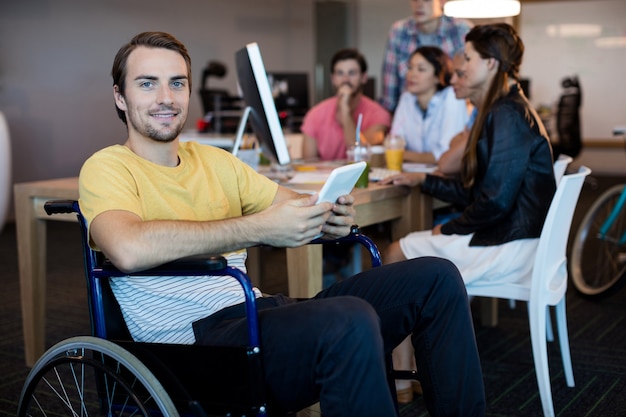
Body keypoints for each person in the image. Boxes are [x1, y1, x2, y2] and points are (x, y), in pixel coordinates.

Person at [78, 31, 485, 417]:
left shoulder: (214, 161)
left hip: (256, 312)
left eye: (177, 83)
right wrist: (257, 228)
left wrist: (331, 216)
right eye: (147, 84)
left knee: (437, 276)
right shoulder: (108, 167)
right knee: (349, 319)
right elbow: (126, 248)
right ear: (120, 95)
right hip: (197, 347)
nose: (166, 98)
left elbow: (294, 207)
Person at [381, 23, 556, 406]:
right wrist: (423, 182)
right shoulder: (506, 108)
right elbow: (483, 193)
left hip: (512, 246)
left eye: (468, 61)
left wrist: (450, 229)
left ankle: (401, 380)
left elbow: (493, 202)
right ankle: (413, 373)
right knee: (413, 252)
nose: (459, 68)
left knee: (395, 255)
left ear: (490, 63)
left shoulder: (506, 114)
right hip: (517, 236)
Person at [381, 0, 472, 113]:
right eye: (415, 0)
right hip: (410, 113)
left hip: (452, 112)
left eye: (426, 0)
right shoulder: (399, 31)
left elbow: (472, 79)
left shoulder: (461, 30)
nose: (419, 5)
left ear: (442, 2)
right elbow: (389, 91)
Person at [301, 48, 391, 161]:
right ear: (333, 79)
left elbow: (359, 155)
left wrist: (345, 111)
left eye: (352, 73)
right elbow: (308, 164)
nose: (345, 79)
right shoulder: (315, 114)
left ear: (363, 78)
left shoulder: (379, 114)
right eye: (340, 73)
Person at [389, 46, 469, 165]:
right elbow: (394, 142)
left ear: (438, 76)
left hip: (444, 176)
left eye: (421, 69)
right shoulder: (406, 99)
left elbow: (447, 153)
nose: (412, 74)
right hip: (410, 173)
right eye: (410, 67)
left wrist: (403, 155)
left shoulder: (452, 97)